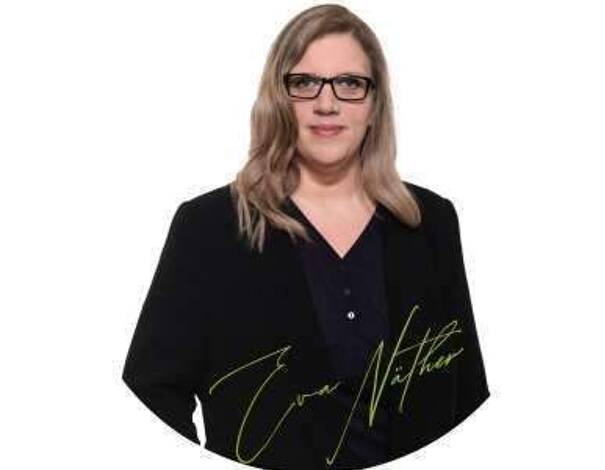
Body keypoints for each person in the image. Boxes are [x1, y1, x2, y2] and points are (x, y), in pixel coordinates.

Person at [122, 4, 490, 469]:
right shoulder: (209, 228)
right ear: (278, 98)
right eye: (305, 83)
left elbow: (467, 395)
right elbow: (151, 394)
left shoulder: (429, 222)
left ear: (375, 104)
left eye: (350, 83)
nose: (327, 103)